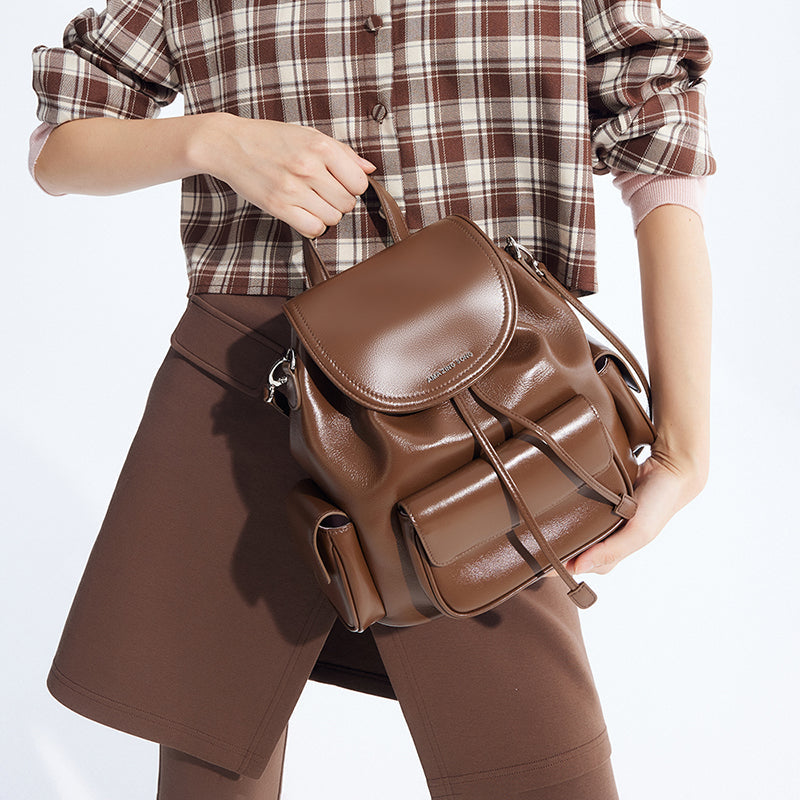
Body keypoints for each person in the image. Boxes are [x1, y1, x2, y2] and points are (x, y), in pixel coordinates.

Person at [29, 0, 714, 797]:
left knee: (540, 770)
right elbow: (60, 148)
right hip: (247, 393)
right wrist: (210, 139)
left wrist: (686, 445)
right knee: (211, 766)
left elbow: (662, 150)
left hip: (489, 411)